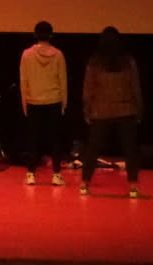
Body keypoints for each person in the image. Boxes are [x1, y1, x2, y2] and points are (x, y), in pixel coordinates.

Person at [81, 27, 143, 197]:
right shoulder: (128, 61)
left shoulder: (95, 62)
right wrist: (139, 108)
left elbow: (88, 87)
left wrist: (87, 109)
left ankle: (85, 184)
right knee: (130, 150)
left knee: (92, 149)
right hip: (126, 109)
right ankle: (133, 186)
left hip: (100, 110)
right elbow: (135, 86)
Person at [19, 21, 68, 185]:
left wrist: (24, 103)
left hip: (33, 100)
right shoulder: (58, 55)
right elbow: (63, 81)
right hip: (54, 100)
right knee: (55, 139)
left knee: (33, 139)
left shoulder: (27, 55)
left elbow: (23, 81)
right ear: (51, 35)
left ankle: (31, 174)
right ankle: (56, 174)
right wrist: (64, 102)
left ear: (35, 35)